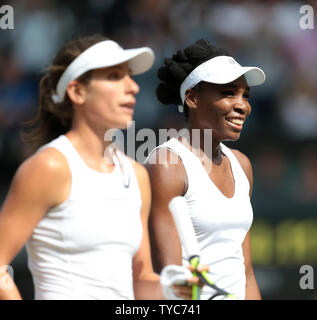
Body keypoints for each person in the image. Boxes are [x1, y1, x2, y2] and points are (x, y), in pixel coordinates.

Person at [0, 34, 198, 300]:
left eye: (129, 76)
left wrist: (174, 288)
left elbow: (139, 280)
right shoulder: (50, 166)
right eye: (115, 76)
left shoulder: (137, 175)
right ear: (77, 92)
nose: (133, 87)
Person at [145, 39, 266, 300]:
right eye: (228, 93)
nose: (243, 105)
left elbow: (246, 274)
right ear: (192, 98)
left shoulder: (242, 165)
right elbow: (171, 279)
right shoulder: (167, 165)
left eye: (245, 95)